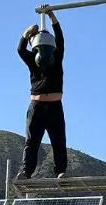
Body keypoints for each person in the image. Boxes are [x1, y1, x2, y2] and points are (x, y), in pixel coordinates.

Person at [15, 10, 67, 180]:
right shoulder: (32, 59)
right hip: (36, 107)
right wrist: (27, 33)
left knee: (58, 141)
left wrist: (52, 17)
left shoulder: (57, 56)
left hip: (54, 106)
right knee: (31, 142)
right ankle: (26, 171)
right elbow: (20, 49)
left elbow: (60, 39)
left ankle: (60, 171)